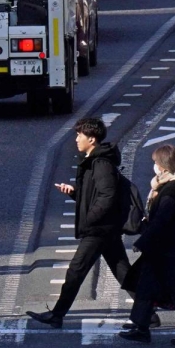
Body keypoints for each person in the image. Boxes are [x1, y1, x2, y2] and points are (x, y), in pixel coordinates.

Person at [27, 118, 130, 328]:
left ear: (91, 139)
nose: (76, 139)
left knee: (76, 270)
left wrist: (90, 218)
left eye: (79, 135)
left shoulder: (100, 163)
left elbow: (107, 196)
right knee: (122, 270)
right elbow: (96, 195)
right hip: (104, 227)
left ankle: (57, 315)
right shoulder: (96, 161)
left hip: (98, 229)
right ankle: (147, 313)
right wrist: (75, 193)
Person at [120, 144, 175, 346]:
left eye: (156, 163)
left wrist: (143, 241)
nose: (154, 166)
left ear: (164, 166)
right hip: (167, 249)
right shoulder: (169, 185)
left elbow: (163, 220)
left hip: (171, 250)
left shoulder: (173, 189)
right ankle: (142, 327)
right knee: (148, 286)